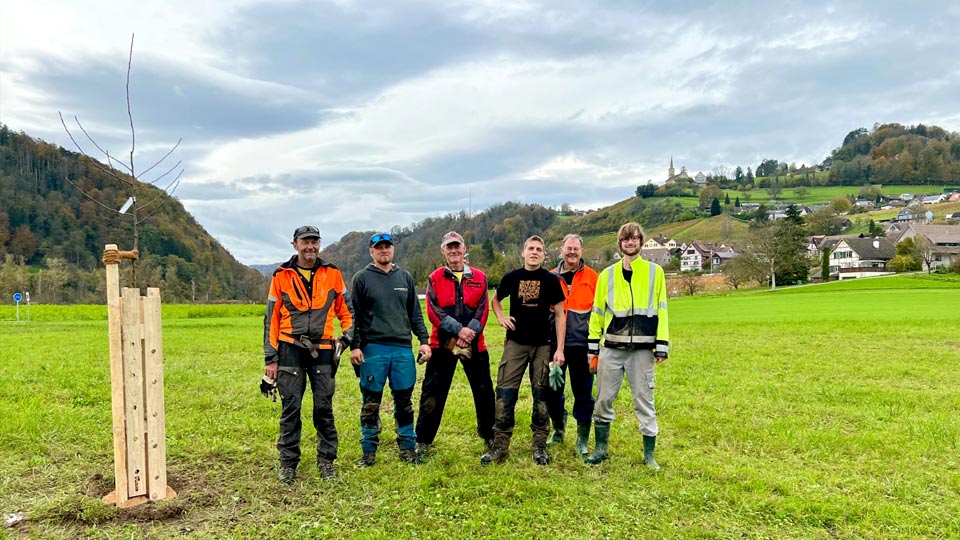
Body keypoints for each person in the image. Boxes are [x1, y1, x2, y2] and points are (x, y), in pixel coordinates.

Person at [263, 225, 353, 483]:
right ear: (295, 245)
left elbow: (346, 311)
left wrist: (346, 337)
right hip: (289, 348)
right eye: (305, 242)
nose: (310, 246)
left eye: (314, 241)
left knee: (323, 406)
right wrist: (271, 358)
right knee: (291, 407)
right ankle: (288, 463)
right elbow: (271, 320)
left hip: (323, 349)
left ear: (319, 244)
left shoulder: (333, 273)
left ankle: (327, 461)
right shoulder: (281, 275)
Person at [586, 222, 669, 470]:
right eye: (625, 239)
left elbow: (662, 309)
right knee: (602, 399)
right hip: (611, 349)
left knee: (644, 400)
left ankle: (649, 455)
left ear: (641, 242)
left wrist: (661, 345)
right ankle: (601, 449)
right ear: (620, 244)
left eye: (634, 239)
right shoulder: (606, 275)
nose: (630, 243)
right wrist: (593, 348)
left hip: (642, 351)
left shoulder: (656, 272)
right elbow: (597, 313)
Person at [481, 235, 566, 466]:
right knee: (505, 392)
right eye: (531, 248)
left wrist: (559, 349)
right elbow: (495, 300)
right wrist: (500, 317)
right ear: (523, 252)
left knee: (541, 395)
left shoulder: (551, 280)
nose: (535, 252)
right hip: (516, 343)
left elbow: (560, 315)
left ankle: (539, 446)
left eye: (539, 249)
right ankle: (500, 445)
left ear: (544, 254)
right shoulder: (512, 277)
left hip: (542, 345)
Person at [350, 232, 431, 467]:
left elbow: (415, 314)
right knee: (371, 401)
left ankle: (407, 447)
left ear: (393, 249)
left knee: (404, 400)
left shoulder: (404, 277)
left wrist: (424, 340)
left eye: (387, 247)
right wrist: (355, 346)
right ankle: (368, 450)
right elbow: (353, 315)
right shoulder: (362, 278)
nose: (383, 251)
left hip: (402, 348)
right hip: (373, 348)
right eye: (378, 248)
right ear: (371, 252)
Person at [415, 231, 495, 458]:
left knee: (484, 391)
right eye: (449, 247)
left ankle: (489, 435)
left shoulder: (479, 276)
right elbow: (433, 310)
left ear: (464, 248)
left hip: (474, 344)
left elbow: (483, 309)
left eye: (457, 246)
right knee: (433, 392)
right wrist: (458, 330)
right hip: (442, 344)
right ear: (443, 251)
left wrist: (469, 332)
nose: (453, 251)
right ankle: (423, 440)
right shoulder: (435, 278)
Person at [545, 234, 599, 456]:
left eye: (576, 249)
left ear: (582, 251)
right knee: (552, 390)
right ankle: (558, 429)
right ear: (561, 250)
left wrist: (596, 349)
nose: (572, 252)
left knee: (583, 393)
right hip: (553, 345)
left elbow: (600, 314)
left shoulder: (593, 278)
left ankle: (582, 439)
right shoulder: (549, 277)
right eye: (568, 249)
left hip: (582, 345)